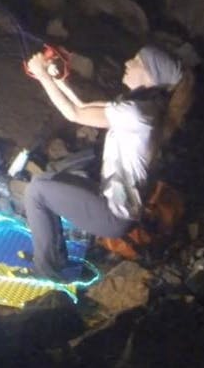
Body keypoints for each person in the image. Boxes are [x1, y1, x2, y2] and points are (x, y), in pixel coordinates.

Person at [22, 45, 193, 280]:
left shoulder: (137, 114)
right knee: (46, 179)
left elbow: (73, 114)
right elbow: (82, 107)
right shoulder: (145, 106)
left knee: (36, 191)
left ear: (150, 75)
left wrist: (41, 75)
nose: (127, 63)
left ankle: (47, 273)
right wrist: (56, 78)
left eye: (135, 61)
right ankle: (55, 258)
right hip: (112, 202)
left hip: (113, 215)